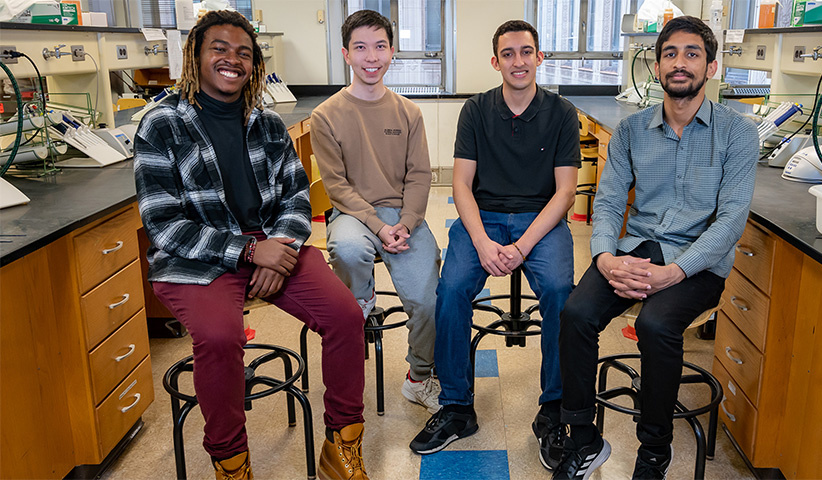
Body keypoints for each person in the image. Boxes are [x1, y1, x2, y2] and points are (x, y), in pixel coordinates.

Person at [134, 10, 369, 480]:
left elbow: (296, 194)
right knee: (220, 338)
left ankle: (341, 445)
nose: (232, 59)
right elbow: (163, 224)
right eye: (219, 48)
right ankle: (231, 465)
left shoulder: (266, 122)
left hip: (271, 246)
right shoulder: (161, 124)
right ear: (195, 56)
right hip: (195, 261)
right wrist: (245, 251)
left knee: (346, 316)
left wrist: (278, 249)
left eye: (244, 52)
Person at [553, 16, 758, 480]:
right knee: (576, 314)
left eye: (692, 54)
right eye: (670, 54)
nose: (680, 63)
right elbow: (606, 201)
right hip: (637, 248)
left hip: (698, 261)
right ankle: (583, 439)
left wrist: (676, 272)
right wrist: (605, 257)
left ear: (711, 66)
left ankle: (653, 451)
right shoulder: (631, 131)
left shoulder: (738, 133)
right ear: (657, 64)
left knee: (657, 324)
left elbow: (730, 221)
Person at [409, 19, 580, 472]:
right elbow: (461, 185)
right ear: (495, 61)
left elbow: (565, 193)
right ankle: (456, 407)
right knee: (451, 291)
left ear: (539, 57)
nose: (518, 61)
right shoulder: (477, 111)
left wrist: (522, 245)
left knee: (563, 294)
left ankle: (554, 411)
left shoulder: (562, 113)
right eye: (508, 54)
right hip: (481, 217)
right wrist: (483, 242)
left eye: (526, 52)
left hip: (539, 221)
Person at [310, 9, 442, 414]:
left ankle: (419, 377)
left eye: (380, 46)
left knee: (429, 300)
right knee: (348, 250)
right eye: (361, 47)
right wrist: (377, 227)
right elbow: (337, 187)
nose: (372, 57)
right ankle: (362, 298)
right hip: (354, 215)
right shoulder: (325, 116)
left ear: (392, 52)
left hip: (404, 216)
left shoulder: (408, 113)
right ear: (347, 54)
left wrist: (404, 223)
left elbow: (420, 177)